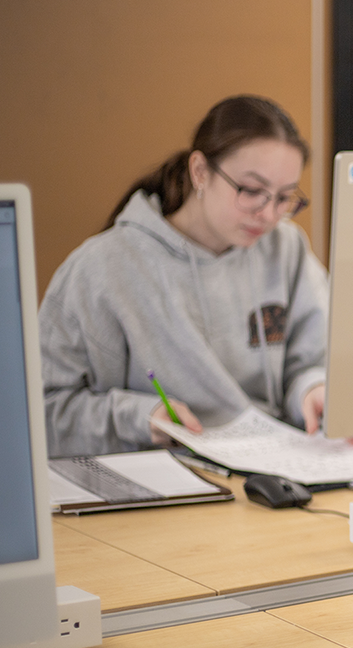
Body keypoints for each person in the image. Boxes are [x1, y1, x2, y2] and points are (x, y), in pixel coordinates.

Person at [40, 95, 329, 457]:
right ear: (200, 172)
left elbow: (316, 358)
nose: (268, 214)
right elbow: (42, 412)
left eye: (285, 197)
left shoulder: (285, 248)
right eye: (252, 190)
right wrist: (140, 418)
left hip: (275, 470)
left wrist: (312, 389)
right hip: (165, 484)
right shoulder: (105, 267)